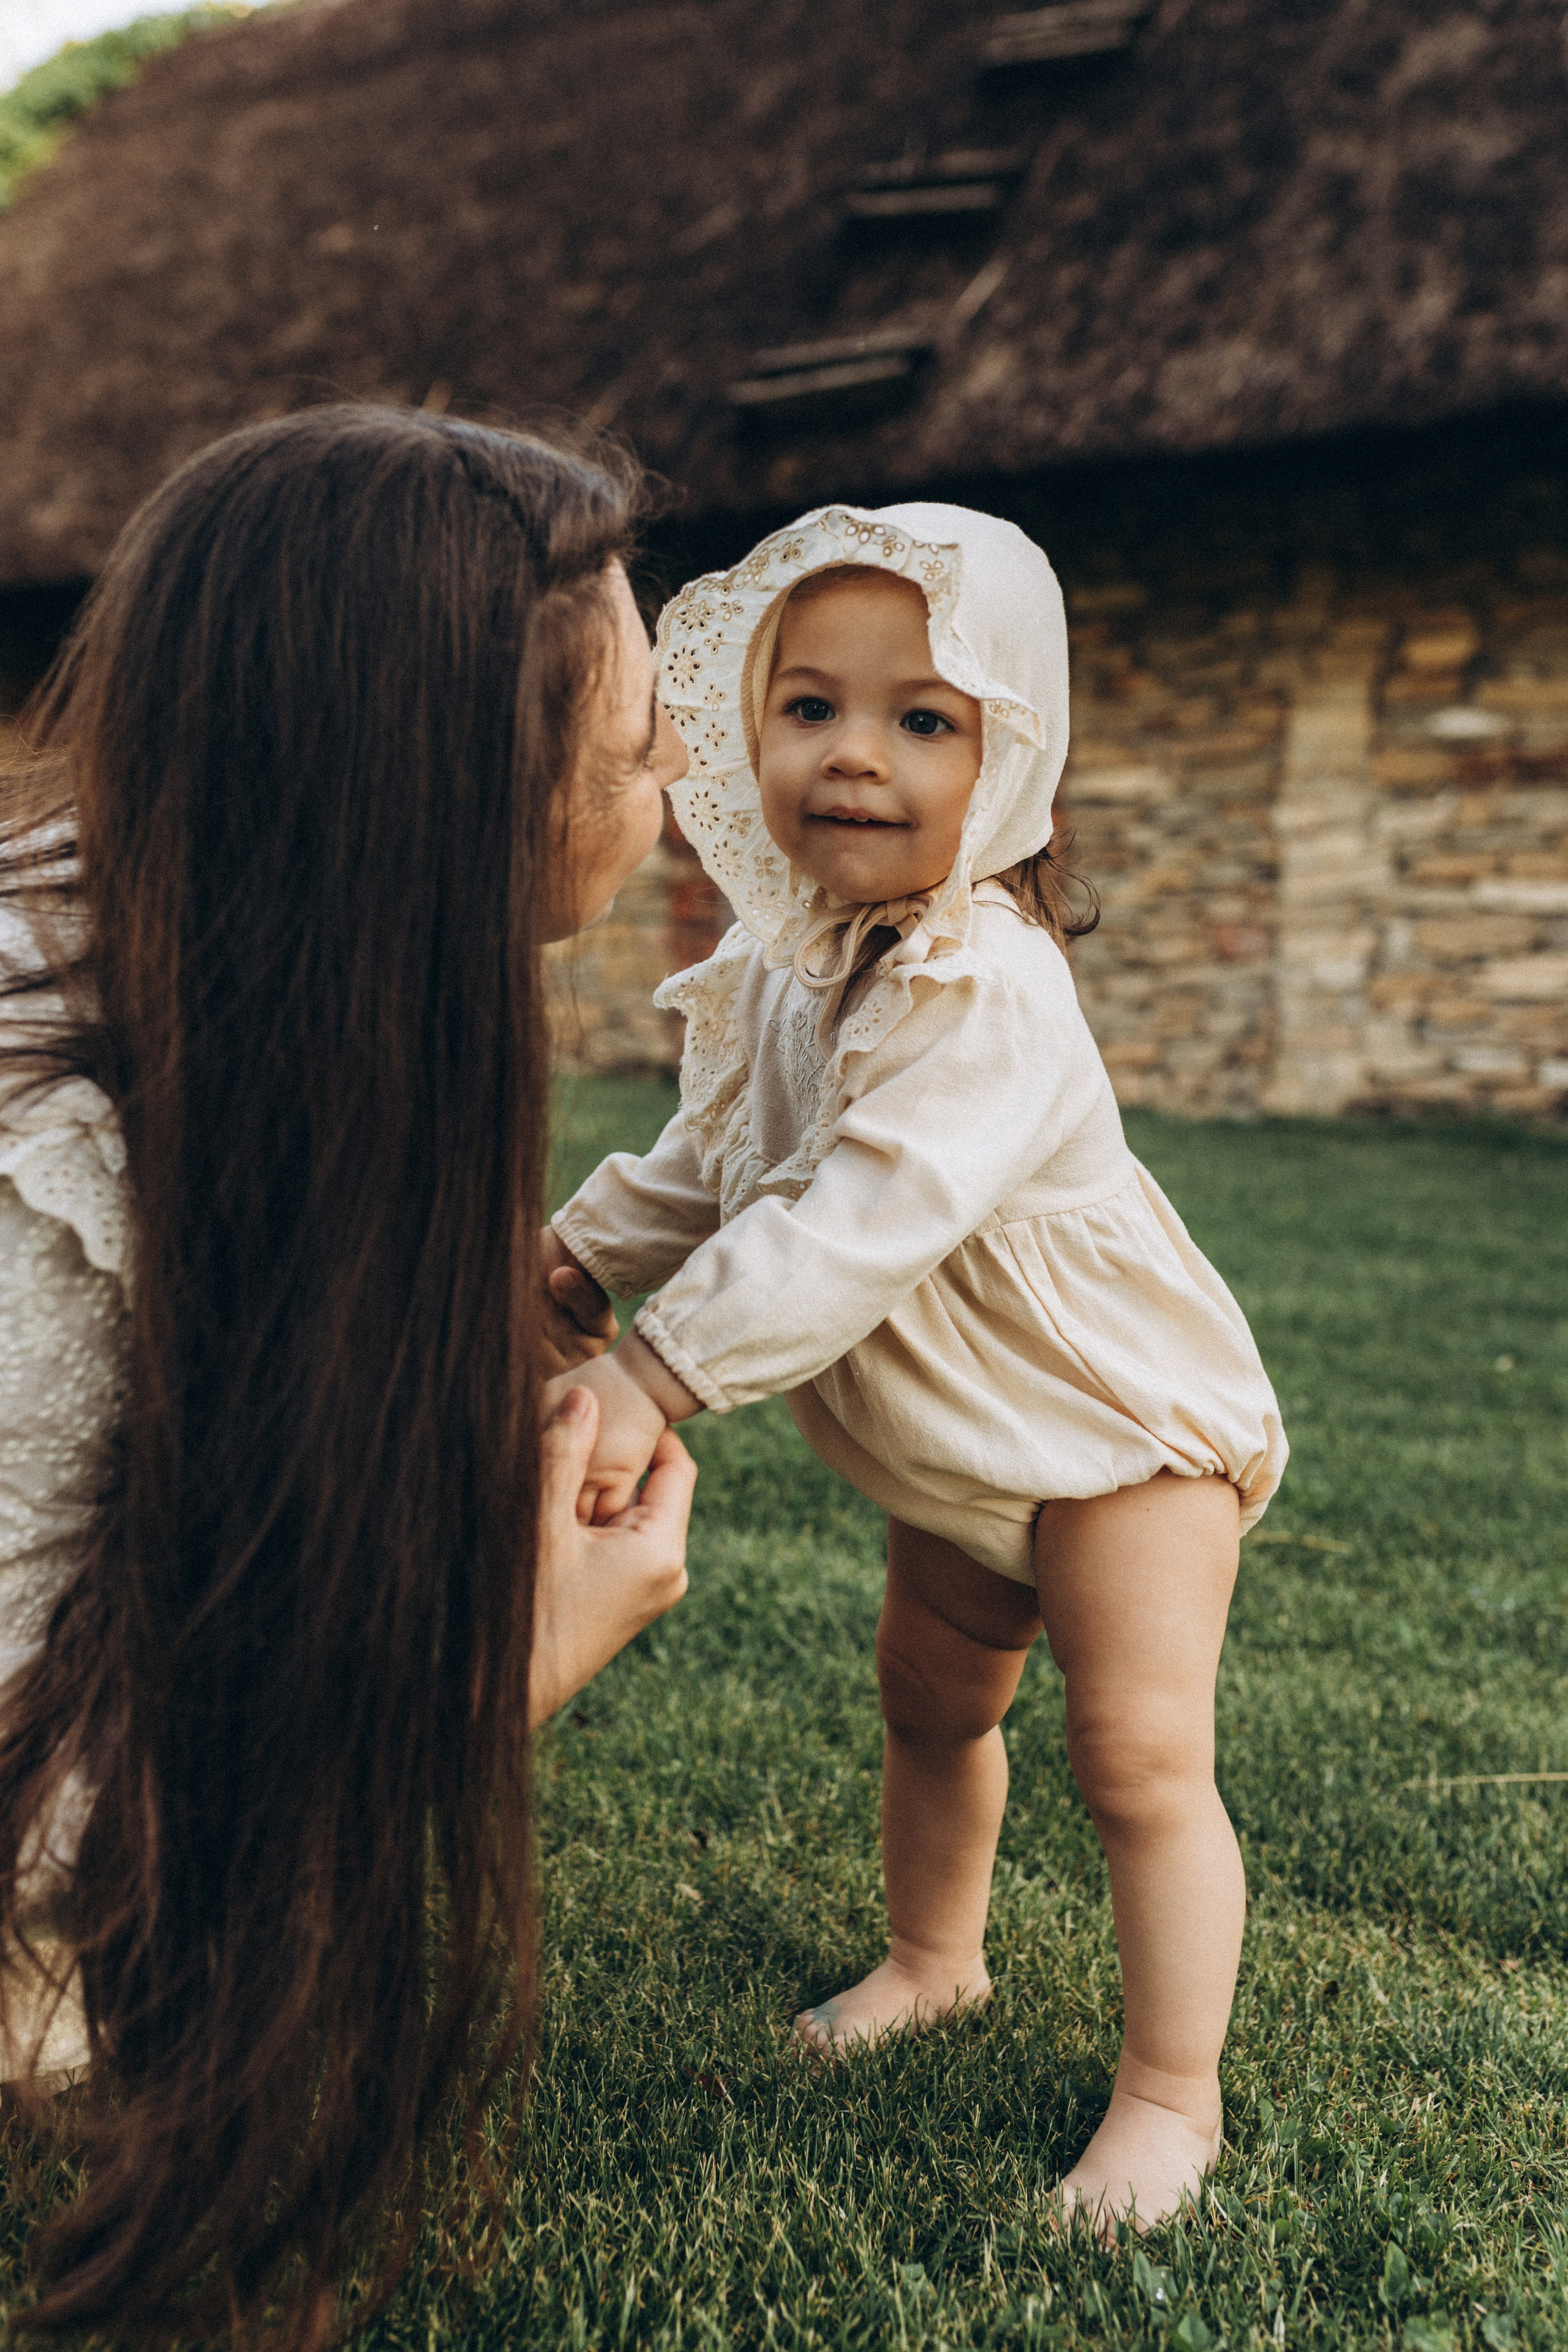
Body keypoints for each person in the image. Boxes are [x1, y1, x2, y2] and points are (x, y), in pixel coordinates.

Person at [0, 406, 694, 2343]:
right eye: (645, 747)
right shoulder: (41, 1194)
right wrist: (490, 1676)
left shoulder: (193, 931)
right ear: (450, 798)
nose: (679, 786)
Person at [545, 502, 1288, 2234]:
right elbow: (720, 1155)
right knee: (932, 1704)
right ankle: (933, 1961)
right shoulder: (795, 965)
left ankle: (1175, 2096)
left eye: (923, 721)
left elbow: (864, 1219)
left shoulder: (993, 988)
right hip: (968, 1451)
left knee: (1136, 1757)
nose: (853, 759)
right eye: (810, 710)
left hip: (1116, 1437)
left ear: (1010, 754)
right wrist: (582, 1259)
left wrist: (654, 1370)